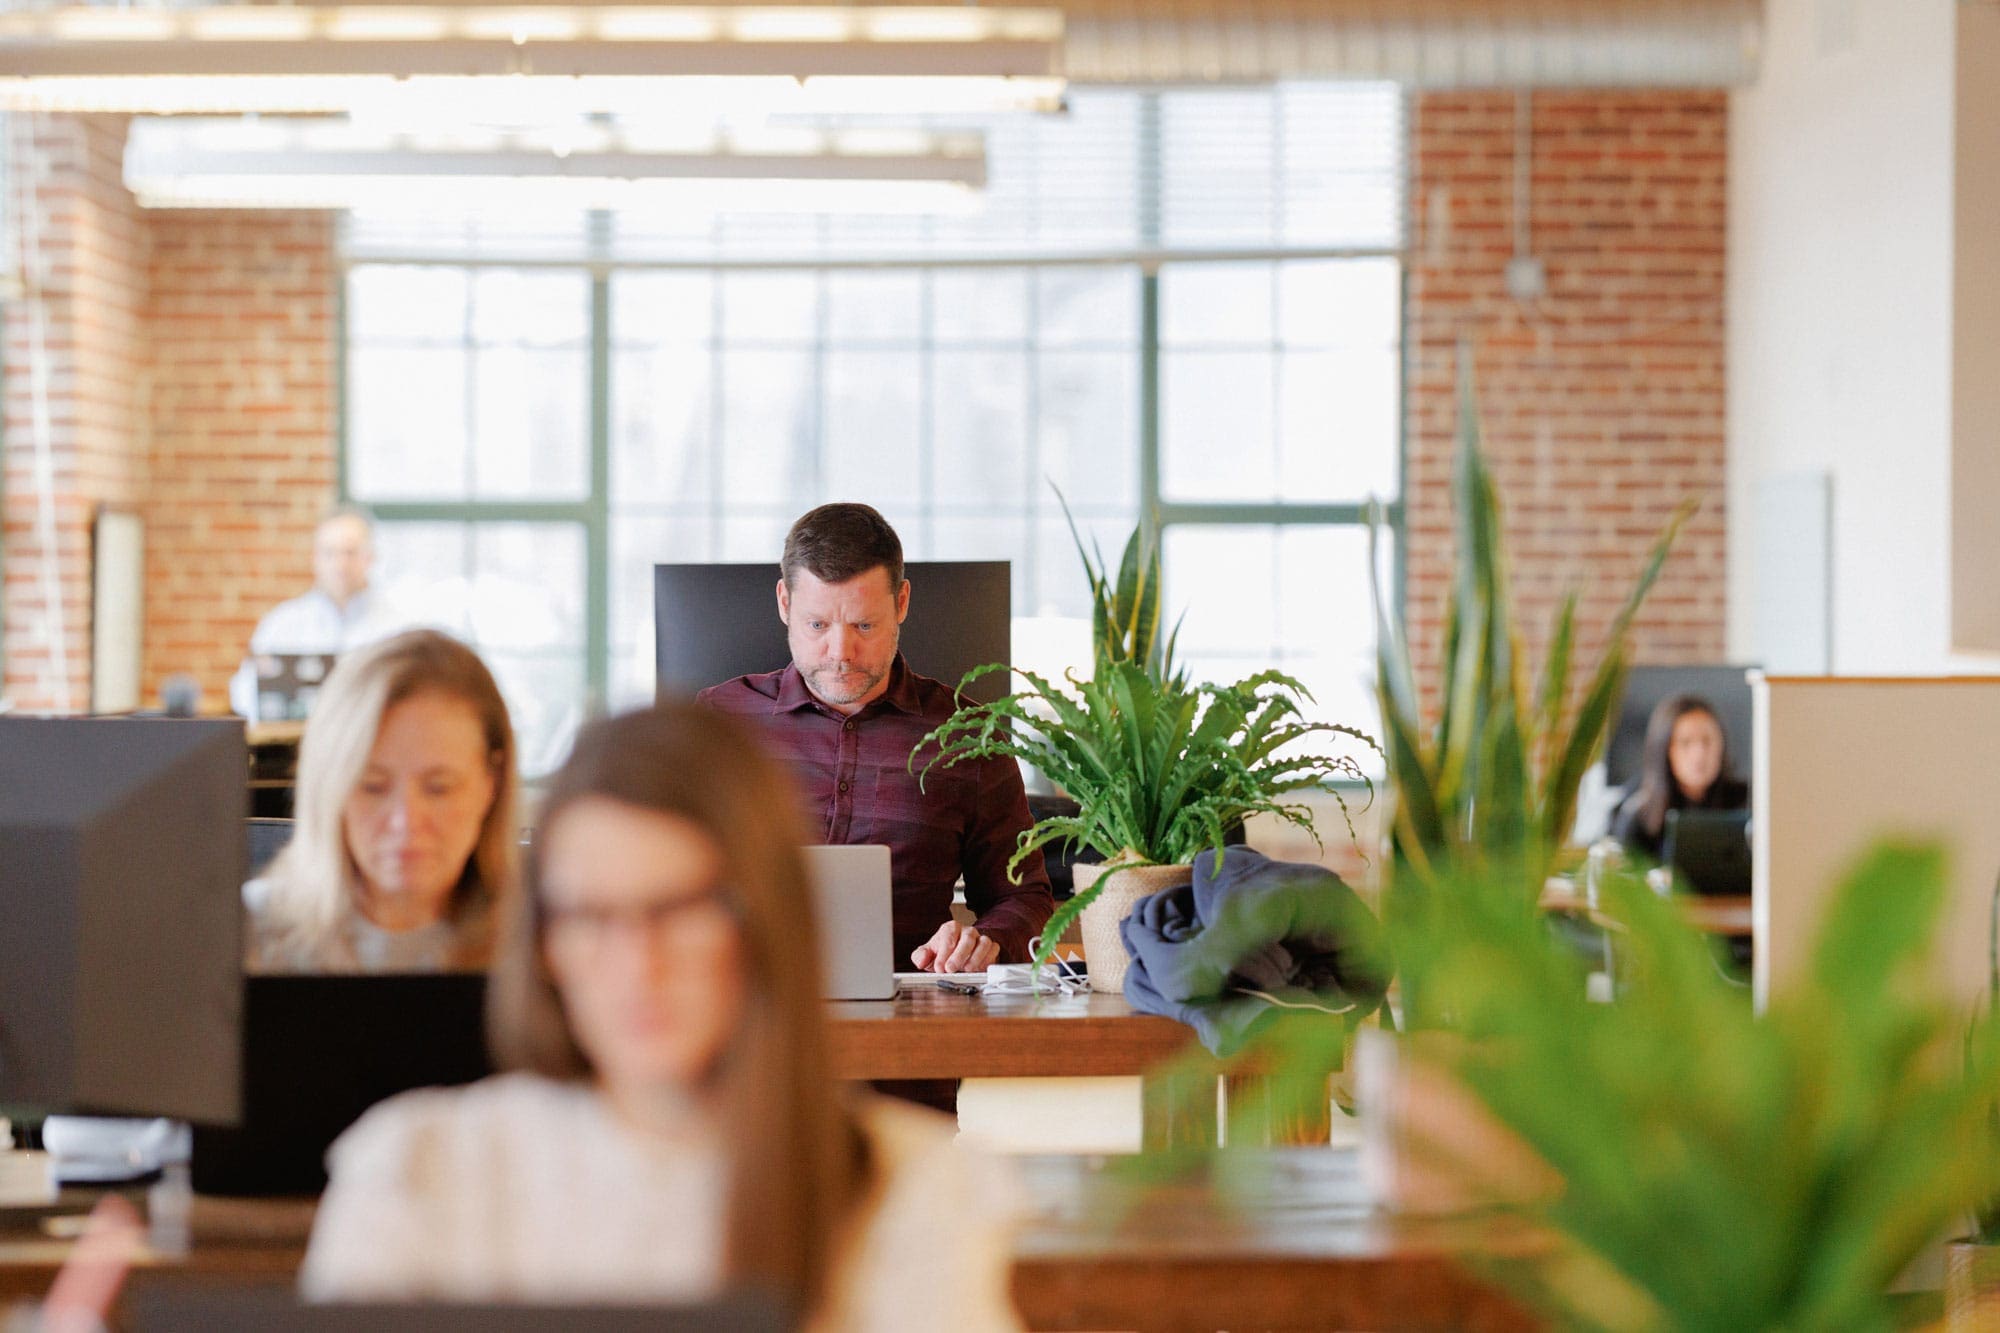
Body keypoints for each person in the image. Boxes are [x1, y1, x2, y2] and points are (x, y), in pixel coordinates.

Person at [298, 703, 1022, 1330]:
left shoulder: (908, 1189)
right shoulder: (418, 1168)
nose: (637, 962)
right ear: (545, 942)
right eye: (590, 915)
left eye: (679, 910)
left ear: (763, 920)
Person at [697, 503, 1054, 974]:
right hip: (746, 1005)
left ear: (901, 603)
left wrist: (984, 941)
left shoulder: (970, 736)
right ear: (785, 603)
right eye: (818, 625)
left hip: (909, 1013)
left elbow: (1024, 897)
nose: (840, 653)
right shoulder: (717, 722)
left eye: (864, 625)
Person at [245, 629, 519, 973]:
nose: (405, 821)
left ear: (490, 784)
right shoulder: (246, 934)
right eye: (372, 787)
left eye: (439, 788)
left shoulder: (548, 942)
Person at [229, 505, 404, 719]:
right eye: (330, 553)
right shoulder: (281, 624)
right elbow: (243, 694)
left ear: (371, 557)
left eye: (350, 553)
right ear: (315, 558)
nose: (341, 564)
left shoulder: (399, 630)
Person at [1611, 692, 1749, 864]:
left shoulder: (1748, 801)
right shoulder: (1639, 813)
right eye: (1685, 743)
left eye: (1707, 741)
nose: (1699, 754)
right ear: (1665, 750)